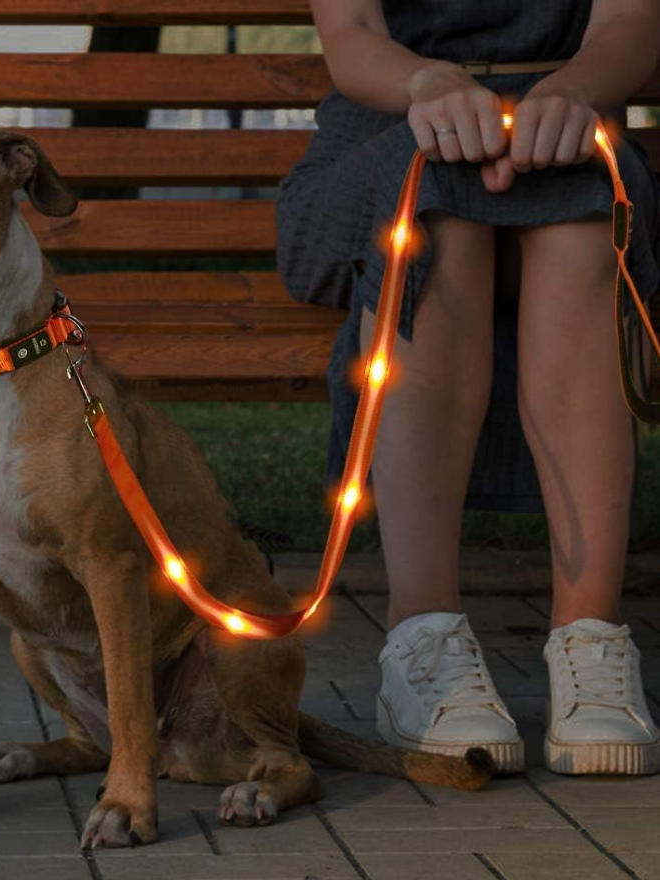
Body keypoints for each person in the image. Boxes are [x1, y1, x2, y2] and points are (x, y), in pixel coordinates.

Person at [276, 0, 660, 774]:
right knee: (440, 221)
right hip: (392, 134)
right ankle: (423, 636)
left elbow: (630, 25)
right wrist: (428, 85)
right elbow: (351, 38)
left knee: (586, 219)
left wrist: (573, 94)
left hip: (569, 136)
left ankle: (589, 640)